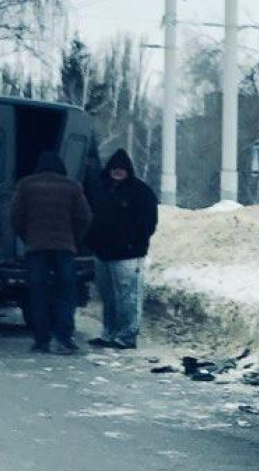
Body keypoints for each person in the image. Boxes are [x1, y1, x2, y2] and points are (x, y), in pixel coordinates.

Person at [10, 152, 93, 354]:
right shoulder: (72, 186)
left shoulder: (25, 185)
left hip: (36, 248)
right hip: (65, 247)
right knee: (66, 292)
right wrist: (74, 238)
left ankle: (41, 340)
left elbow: (15, 216)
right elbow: (85, 216)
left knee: (38, 293)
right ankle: (63, 338)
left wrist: (27, 236)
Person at [85, 148, 158, 350]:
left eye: (122, 169)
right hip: (102, 253)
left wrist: (134, 243)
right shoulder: (100, 190)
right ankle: (109, 333)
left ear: (128, 170)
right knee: (107, 296)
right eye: (114, 168)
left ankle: (127, 335)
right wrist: (92, 241)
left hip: (128, 254)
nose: (118, 171)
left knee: (128, 296)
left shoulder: (140, 192)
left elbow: (149, 222)